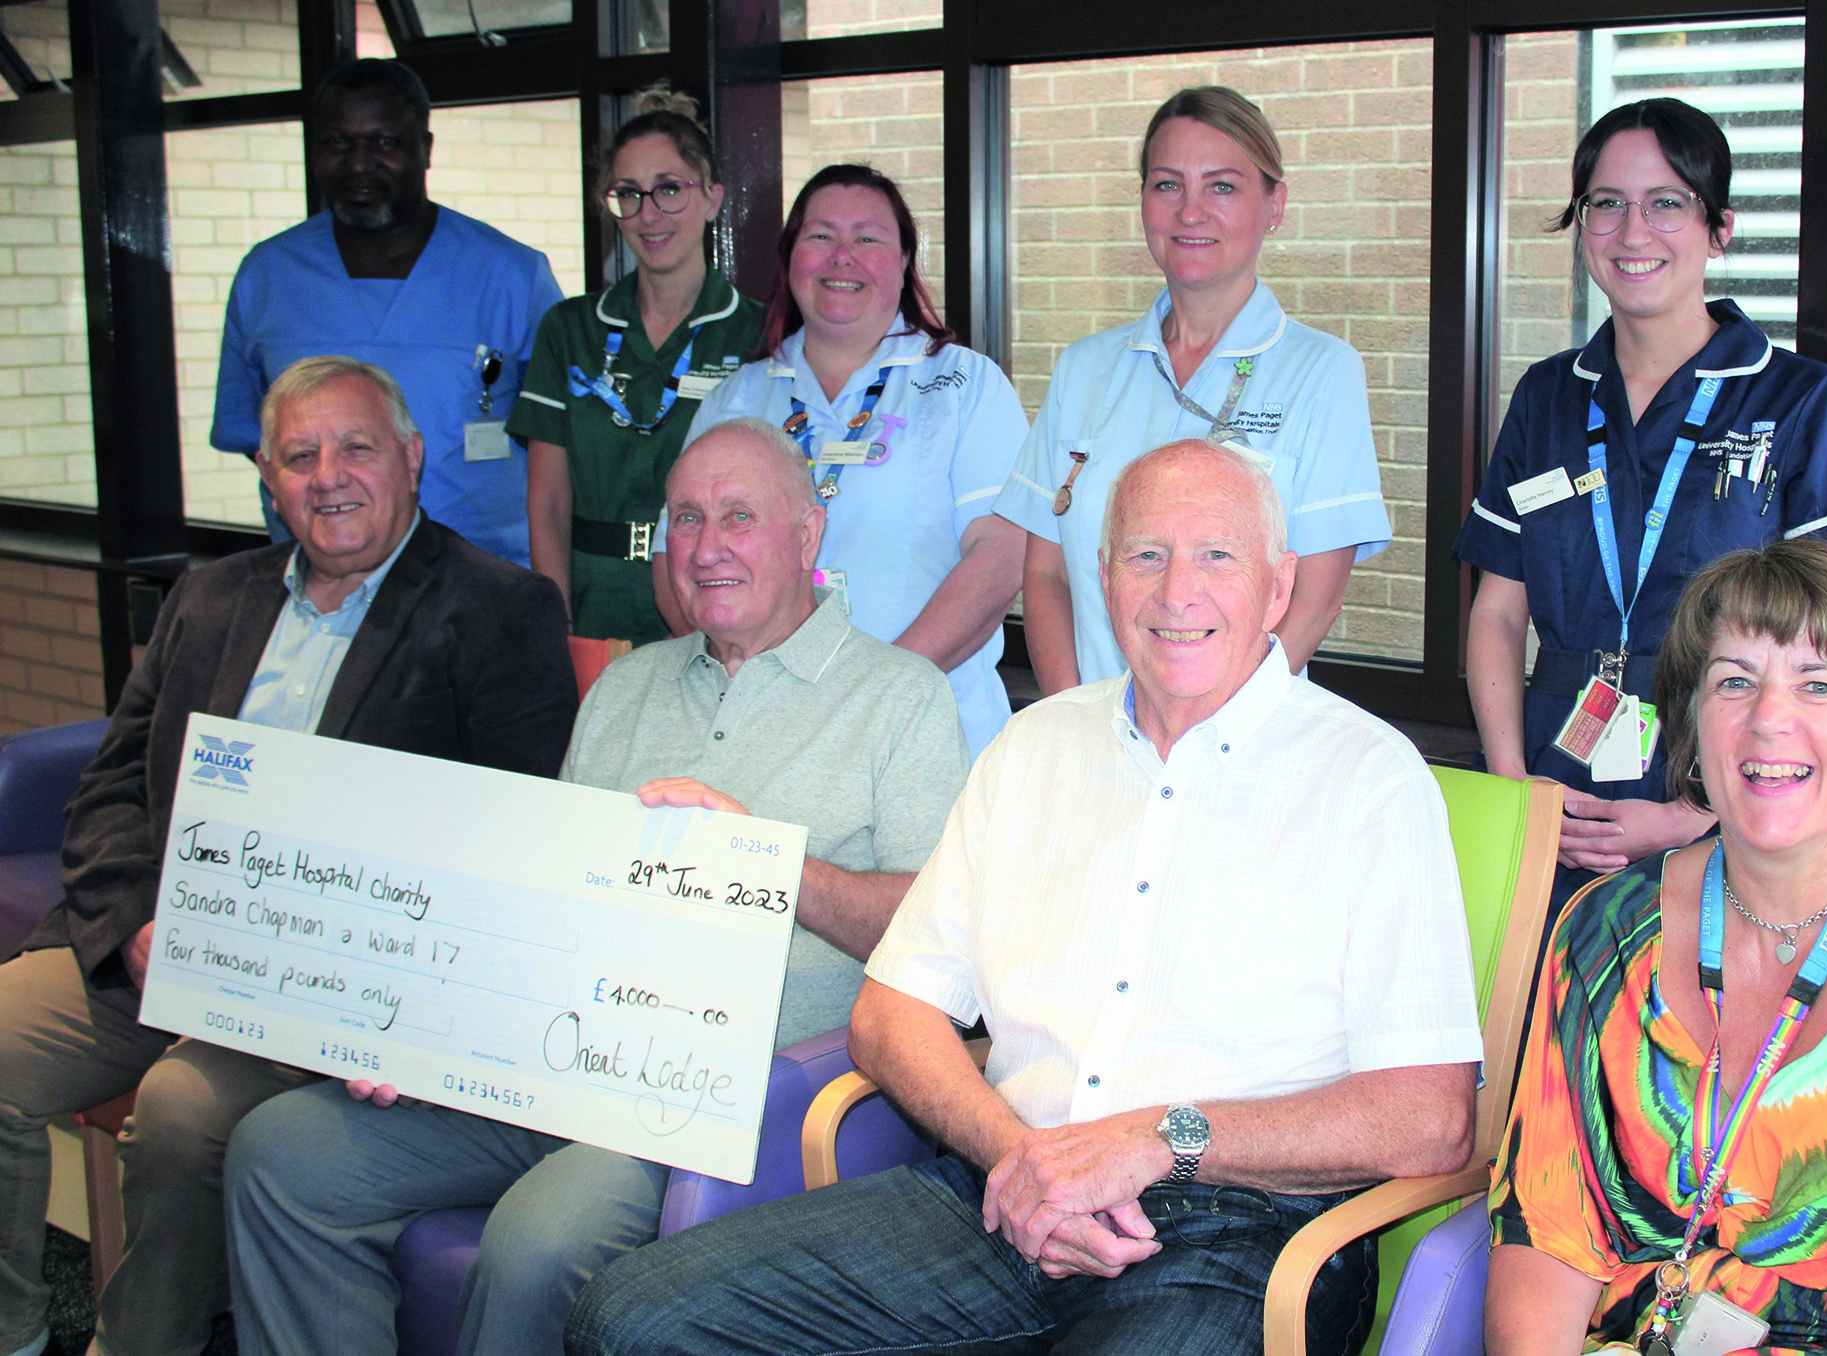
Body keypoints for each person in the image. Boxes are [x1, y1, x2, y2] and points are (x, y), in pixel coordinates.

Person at [566, 439, 1483, 1356]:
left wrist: (1165, 1139)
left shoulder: (1369, 779)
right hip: (1001, 1191)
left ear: (1279, 587)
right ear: (1104, 575)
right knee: (631, 1320)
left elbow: (1430, 1118)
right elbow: (889, 1014)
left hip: (1239, 1233)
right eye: (1146, 555)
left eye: (1217, 556)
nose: (1177, 592)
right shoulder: (1034, 748)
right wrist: (1014, 1156)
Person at [225, 417, 969, 1356]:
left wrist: (766, 868)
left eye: (739, 517)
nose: (706, 548)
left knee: (539, 1240)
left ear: (807, 533)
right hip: (556, 1061)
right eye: (686, 520)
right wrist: (419, 1029)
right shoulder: (626, 689)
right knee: (282, 1152)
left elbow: (935, 941)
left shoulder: (900, 699)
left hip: (721, 1100)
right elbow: (540, 913)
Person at [0, 356, 577, 1356]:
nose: (329, 475)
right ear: (268, 476)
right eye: (300, 455)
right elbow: (111, 791)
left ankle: (143, 1343)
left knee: (181, 1110)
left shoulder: (497, 609)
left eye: (355, 447)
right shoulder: (209, 597)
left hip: (320, 987)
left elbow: (511, 846)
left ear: (410, 457)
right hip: (159, 946)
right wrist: (136, 926)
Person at [1487, 538, 1827, 1354]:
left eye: (1818, 684)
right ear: (1690, 722)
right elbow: (1549, 1229)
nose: (1769, 718)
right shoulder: (1605, 930)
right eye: (1734, 681)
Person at [1454, 97, 1827, 912]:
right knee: (1543, 1024)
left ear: (1719, 226)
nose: (1634, 232)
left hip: (1733, 795)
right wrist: (1517, 790)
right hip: (1554, 791)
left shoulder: (1802, 401)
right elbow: (1496, 610)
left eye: (1667, 203)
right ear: (1581, 222)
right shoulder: (1549, 395)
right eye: (1607, 204)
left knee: (1692, 1029)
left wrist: (1688, 812)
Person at [994, 86, 1392, 693]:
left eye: (1223, 186)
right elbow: (1046, 573)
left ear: (1275, 204)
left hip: (1248, 747)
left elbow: (1315, 594)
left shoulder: (1322, 371)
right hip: (1098, 742)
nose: (1190, 211)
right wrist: (1075, 721)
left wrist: (1221, 732)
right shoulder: (1083, 369)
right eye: (1168, 184)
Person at [668, 164, 1029, 755]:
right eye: (820, 236)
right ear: (789, 258)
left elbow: (1000, 559)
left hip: (925, 724)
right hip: (763, 728)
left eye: (868, 238)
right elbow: (679, 561)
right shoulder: (736, 399)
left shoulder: (965, 385)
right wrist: (747, 689)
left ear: (906, 259)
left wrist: (871, 694)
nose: (843, 257)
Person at [213, 58, 564, 567]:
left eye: (384, 144)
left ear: (425, 148)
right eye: (337, 143)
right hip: (324, 585)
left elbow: (559, 445)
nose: (358, 164)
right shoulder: (267, 275)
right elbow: (256, 438)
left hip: (485, 579)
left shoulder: (512, 274)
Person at [512, 88, 767, 645]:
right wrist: (557, 625)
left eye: (670, 190)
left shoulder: (760, 334)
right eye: (628, 194)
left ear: (713, 197)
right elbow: (548, 501)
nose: (649, 215)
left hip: (709, 598)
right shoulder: (570, 329)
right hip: (593, 603)